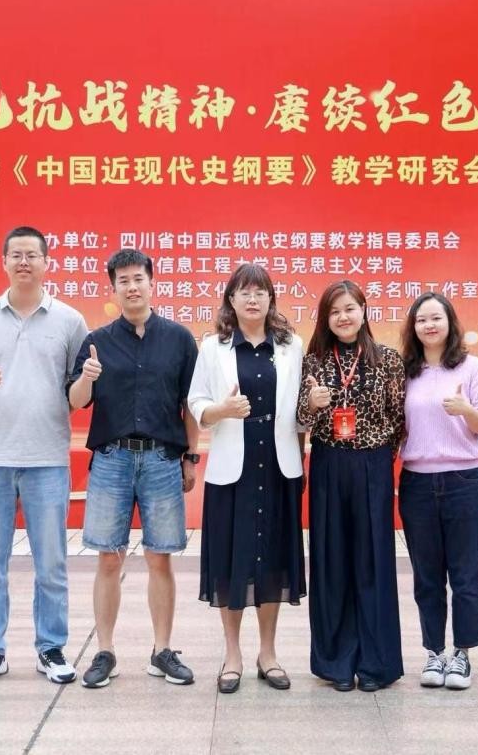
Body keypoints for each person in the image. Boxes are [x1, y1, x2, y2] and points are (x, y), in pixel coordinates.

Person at [0, 226, 88, 688]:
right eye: (16, 255)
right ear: (3, 262)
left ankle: (51, 648)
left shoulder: (69, 321)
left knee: (52, 564)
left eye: (32, 255)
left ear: (47, 263)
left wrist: (86, 382)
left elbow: (79, 390)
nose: (24, 262)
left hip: (48, 459)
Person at [67, 248, 200, 688]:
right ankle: (105, 652)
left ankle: (162, 650)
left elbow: (190, 405)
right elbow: (76, 401)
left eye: (138, 278)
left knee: (160, 557)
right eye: (123, 280)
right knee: (109, 557)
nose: (132, 286)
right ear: (113, 289)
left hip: (162, 459)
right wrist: (86, 376)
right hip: (113, 460)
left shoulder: (179, 339)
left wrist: (190, 457)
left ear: (151, 282)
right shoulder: (97, 341)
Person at [187, 264, 307, 694]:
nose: (252, 299)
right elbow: (196, 402)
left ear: (271, 299)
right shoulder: (213, 346)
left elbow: (300, 410)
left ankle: (268, 654)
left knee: (273, 559)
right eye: (244, 292)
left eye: (260, 292)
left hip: (278, 466)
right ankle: (233, 654)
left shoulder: (291, 345)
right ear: (231, 300)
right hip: (231, 471)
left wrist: (302, 458)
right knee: (230, 560)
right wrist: (221, 410)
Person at [297, 279, 405, 692]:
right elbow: (299, 419)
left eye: (350, 309)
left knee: (373, 560)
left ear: (364, 311)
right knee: (331, 560)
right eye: (335, 311)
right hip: (328, 463)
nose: (343, 317)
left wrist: (376, 458)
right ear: (325, 318)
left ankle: (377, 663)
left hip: (372, 465)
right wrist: (311, 405)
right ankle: (336, 663)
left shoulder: (388, 360)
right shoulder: (314, 362)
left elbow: (399, 418)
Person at [398, 292, 478, 690]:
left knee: (465, 574)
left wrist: (465, 410)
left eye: (436, 318)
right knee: (427, 576)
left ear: (450, 322)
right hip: (417, 483)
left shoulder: (472, 367)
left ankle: (462, 654)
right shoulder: (405, 371)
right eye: (422, 320)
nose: (429, 325)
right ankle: (434, 653)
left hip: (464, 481)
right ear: (414, 327)